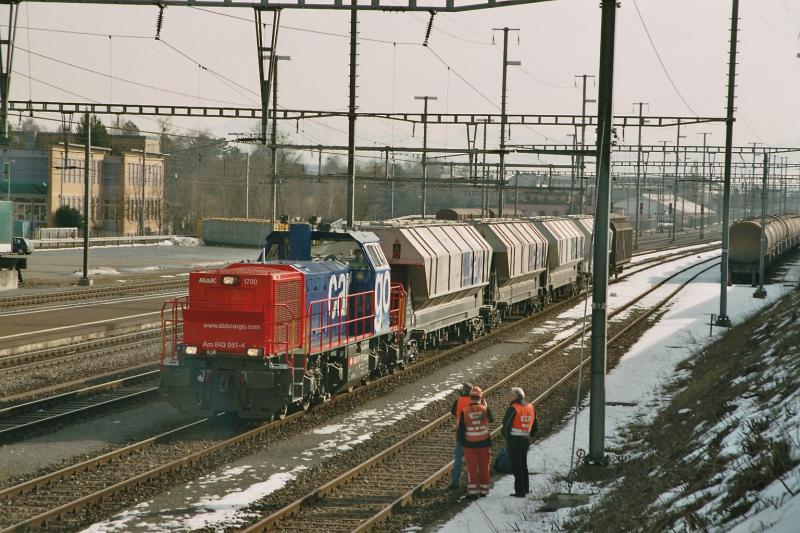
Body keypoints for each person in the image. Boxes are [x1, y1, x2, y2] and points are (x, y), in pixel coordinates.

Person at [458, 386, 494, 498]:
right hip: (484, 444)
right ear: (480, 397)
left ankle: (473, 493)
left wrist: (463, 444)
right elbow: (491, 419)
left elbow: (461, 431)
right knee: (484, 468)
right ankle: (484, 491)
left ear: (470, 397)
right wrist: (485, 406)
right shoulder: (485, 410)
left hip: (470, 445)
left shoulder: (465, 411)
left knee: (472, 469)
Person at [502, 386, 538, 498]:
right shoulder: (530, 407)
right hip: (526, 439)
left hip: (515, 440)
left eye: (511, 394)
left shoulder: (514, 408)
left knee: (516, 466)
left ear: (515, 396)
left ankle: (519, 492)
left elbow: (506, 426)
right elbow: (535, 425)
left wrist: (508, 439)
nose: (509, 397)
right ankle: (526, 489)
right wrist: (529, 436)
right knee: (523, 464)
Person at [449, 382, 473, 489]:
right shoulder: (475, 402)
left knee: (458, 458)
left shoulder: (458, 401)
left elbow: (453, 411)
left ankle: (455, 482)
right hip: (472, 434)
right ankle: (470, 482)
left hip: (460, 433)